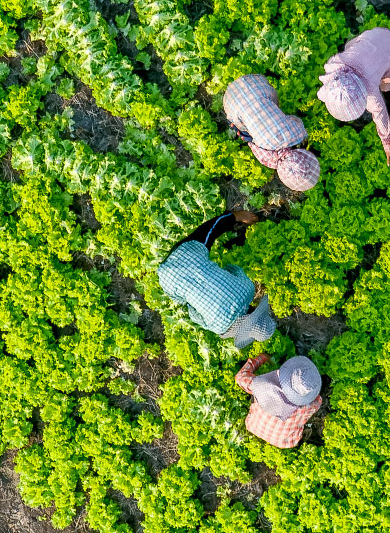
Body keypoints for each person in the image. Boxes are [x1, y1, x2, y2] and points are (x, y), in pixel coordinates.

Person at [157, 210, 276, 349]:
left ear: (255, 309)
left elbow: (232, 269)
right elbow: (193, 314)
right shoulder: (219, 328)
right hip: (167, 280)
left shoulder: (248, 290)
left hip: (188, 253)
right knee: (184, 298)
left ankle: (235, 216)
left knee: (211, 230)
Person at [317, 27, 390, 167]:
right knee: (349, 47)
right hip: (374, 35)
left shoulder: (372, 96)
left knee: (388, 88)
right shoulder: (335, 64)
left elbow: (380, 115)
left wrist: (388, 143)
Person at [223, 74, 321, 191]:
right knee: (247, 136)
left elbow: (295, 120)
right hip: (230, 105)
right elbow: (253, 145)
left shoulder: (298, 133)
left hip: (256, 85)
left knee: (272, 105)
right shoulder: (268, 159)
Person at [235, 353, 323, 448]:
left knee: (256, 395)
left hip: (252, 426)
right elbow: (318, 400)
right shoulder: (307, 407)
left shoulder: (262, 386)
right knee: (306, 421)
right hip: (284, 442)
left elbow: (240, 377)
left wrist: (262, 358)